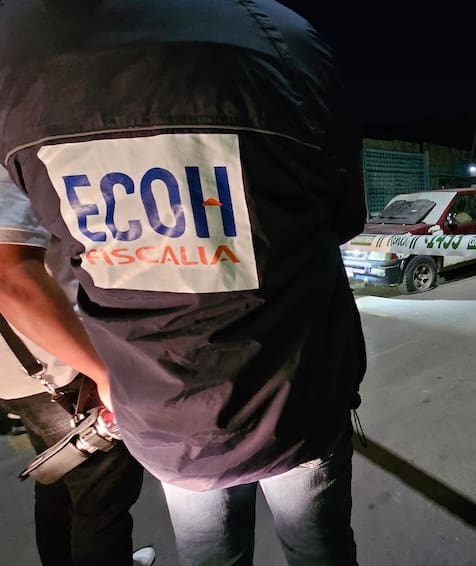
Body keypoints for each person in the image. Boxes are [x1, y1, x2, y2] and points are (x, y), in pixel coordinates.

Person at [0, 2, 367, 566]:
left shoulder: (16, 55)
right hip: (294, 397)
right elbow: (343, 217)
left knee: (210, 555)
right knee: (319, 551)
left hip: (163, 414)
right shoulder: (282, 37)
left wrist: (107, 377)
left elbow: (10, 271)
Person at [0, 167, 154, 566]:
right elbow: (9, 278)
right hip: (57, 366)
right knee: (101, 502)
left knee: (60, 476)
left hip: (22, 368)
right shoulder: (9, 164)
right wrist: (102, 372)